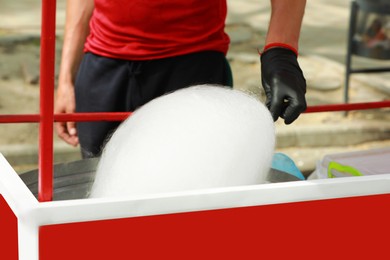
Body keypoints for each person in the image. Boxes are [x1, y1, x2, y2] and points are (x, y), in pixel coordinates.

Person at [55, 0, 307, 158]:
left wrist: (281, 50)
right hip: (103, 65)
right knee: (98, 200)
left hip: (192, 65)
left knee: (190, 198)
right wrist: (66, 78)